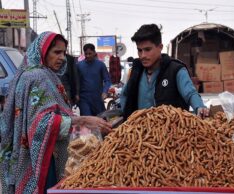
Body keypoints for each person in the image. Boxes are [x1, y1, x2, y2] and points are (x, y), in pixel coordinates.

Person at [0, 32, 112, 194]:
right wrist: (82, 121)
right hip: (40, 158)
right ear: (42, 51)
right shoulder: (37, 76)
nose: (62, 58)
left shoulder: (36, 74)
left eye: (64, 53)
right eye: (56, 52)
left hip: (39, 152)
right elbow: (39, 124)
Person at [120, 24, 209, 120]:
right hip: (142, 132)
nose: (143, 55)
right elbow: (125, 96)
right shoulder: (136, 71)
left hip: (172, 131)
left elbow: (190, 93)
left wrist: (199, 107)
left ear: (160, 47)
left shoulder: (175, 70)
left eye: (147, 49)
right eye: (139, 50)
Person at [76, 43, 112, 116]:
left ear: (94, 52)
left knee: (99, 121)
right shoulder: (79, 66)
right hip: (84, 98)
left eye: (90, 53)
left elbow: (107, 80)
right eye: (86, 54)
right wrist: (76, 94)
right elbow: (76, 81)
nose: (88, 56)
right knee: (87, 120)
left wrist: (105, 91)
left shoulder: (100, 65)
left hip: (97, 98)